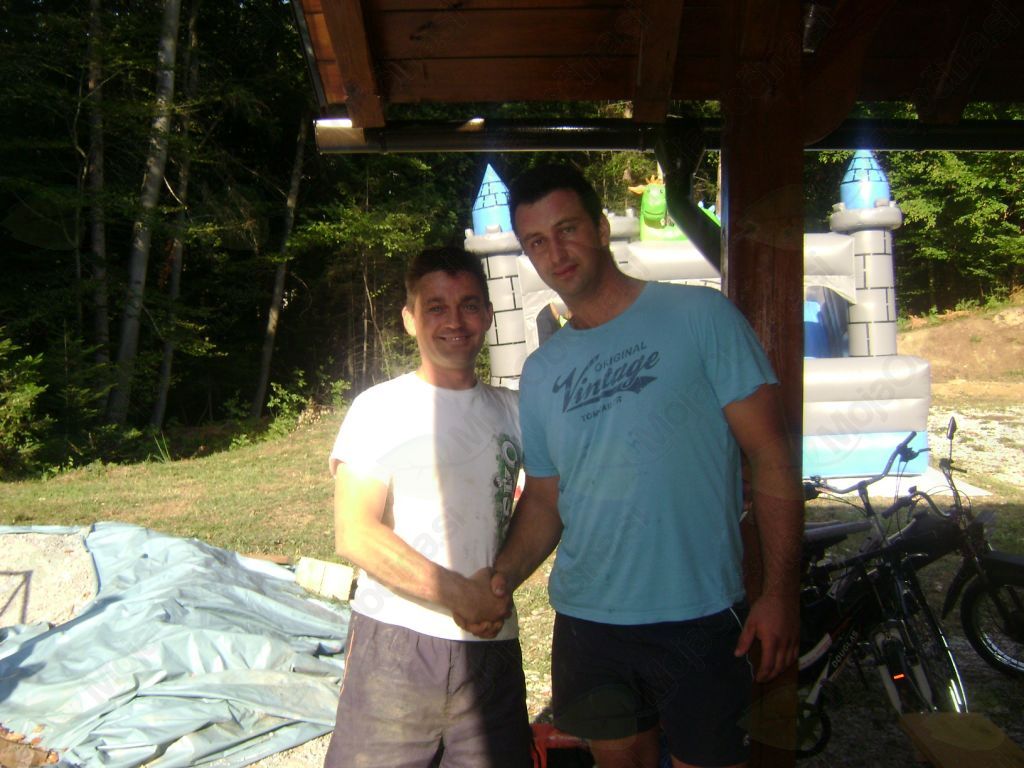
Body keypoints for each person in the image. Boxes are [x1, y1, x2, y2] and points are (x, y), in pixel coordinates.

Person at [459, 164, 804, 768]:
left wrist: (779, 593)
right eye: (536, 242)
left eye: (567, 230)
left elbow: (771, 454)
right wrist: (502, 577)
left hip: (699, 613)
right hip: (589, 621)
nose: (555, 253)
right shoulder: (541, 372)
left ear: (601, 227)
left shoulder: (700, 317)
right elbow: (545, 499)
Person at [323, 246, 533, 768]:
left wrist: (498, 584)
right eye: (436, 307)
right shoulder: (379, 407)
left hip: (492, 647)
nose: (454, 321)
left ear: (488, 314)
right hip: (396, 643)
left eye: (468, 305)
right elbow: (355, 531)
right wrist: (460, 594)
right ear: (410, 319)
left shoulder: (516, 412)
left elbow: (546, 504)